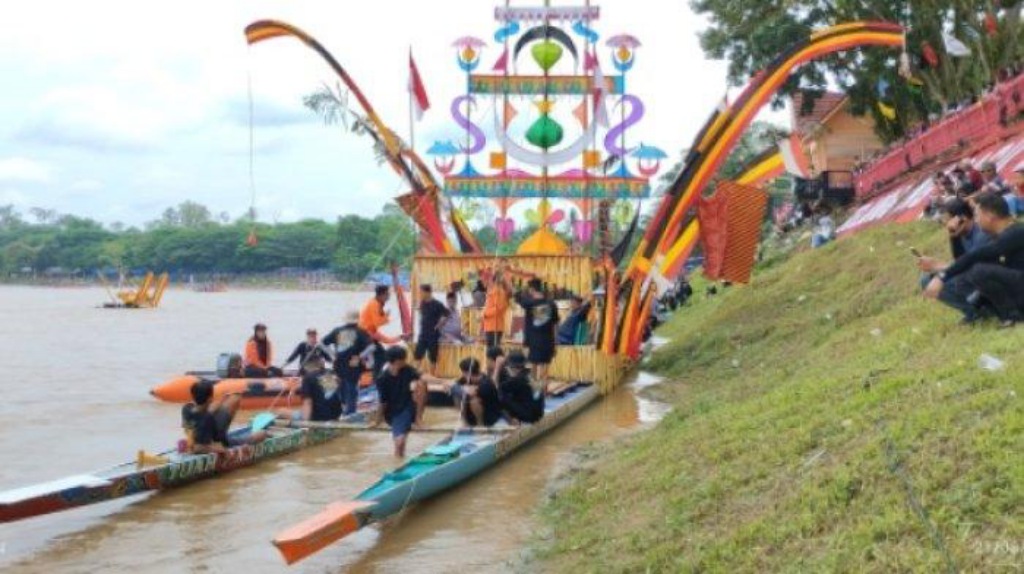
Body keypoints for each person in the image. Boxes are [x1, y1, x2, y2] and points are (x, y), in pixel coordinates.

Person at [923, 193, 1024, 326]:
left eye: (977, 215)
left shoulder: (1015, 232)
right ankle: (997, 313)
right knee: (975, 273)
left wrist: (942, 277)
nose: (975, 220)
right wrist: (954, 237)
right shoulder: (999, 236)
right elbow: (964, 260)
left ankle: (1012, 317)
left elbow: (975, 256)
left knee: (979, 270)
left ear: (989, 216)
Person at [917, 198, 994, 289]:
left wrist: (938, 265)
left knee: (948, 283)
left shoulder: (982, 235)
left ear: (962, 218)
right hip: (974, 275)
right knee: (927, 279)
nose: (946, 225)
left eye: (948, 220)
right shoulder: (961, 234)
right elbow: (959, 260)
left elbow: (969, 270)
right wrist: (953, 237)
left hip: (987, 280)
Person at [181, 381, 266, 454]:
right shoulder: (208, 418)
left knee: (234, 397)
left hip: (202, 432)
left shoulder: (186, 408)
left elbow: (199, 415)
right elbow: (201, 447)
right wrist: (221, 450)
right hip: (218, 440)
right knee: (262, 434)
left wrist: (215, 407)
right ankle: (261, 434)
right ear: (210, 399)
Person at [372, 346, 428, 457]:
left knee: (422, 384)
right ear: (397, 361)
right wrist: (377, 420)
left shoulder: (407, 369)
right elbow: (382, 402)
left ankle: (418, 418)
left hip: (407, 407)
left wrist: (444, 381)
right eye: (403, 359)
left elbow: (423, 377)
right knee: (399, 443)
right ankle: (398, 462)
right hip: (393, 412)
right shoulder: (382, 378)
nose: (405, 361)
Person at [510, 276, 560, 391]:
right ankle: (542, 393)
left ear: (532, 289)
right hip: (548, 340)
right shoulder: (552, 304)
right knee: (544, 367)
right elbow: (556, 324)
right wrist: (556, 342)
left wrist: (507, 280)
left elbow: (516, 294)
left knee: (533, 366)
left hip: (533, 340)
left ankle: (533, 392)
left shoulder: (529, 303)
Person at [322, 311, 374, 416]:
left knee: (340, 387)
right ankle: (350, 412)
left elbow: (322, 343)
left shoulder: (337, 331)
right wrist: (361, 356)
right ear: (357, 320)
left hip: (339, 363)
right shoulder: (360, 332)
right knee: (352, 388)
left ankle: (342, 409)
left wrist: (332, 355)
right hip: (353, 363)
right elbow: (372, 347)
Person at [359, 285, 404, 378]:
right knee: (381, 356)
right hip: (364, 336)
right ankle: (375, 379)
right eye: (387, 294)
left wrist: (400, 337)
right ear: (382, 295)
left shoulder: (377, 304)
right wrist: (386, 317)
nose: (389, 297)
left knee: (381, 356)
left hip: (368, 334)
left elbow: (382, 336)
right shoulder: (374, 304)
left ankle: (374, 378)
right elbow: (378, 322)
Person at [449, 357, 502, 428]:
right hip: (471, 415)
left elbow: (471, 393)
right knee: (457, 395)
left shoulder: (486, 382)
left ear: (467, 373)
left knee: (474, 400)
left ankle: (480, 426)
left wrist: (458, 388)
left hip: (489, 416)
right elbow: (453, 386)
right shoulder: (465, 379)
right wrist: (456, 388)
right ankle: (464, 421)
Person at [497, 351, 544, 425]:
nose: (507, 369)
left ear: (513, 367)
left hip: (530, 416)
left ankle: (512, 422)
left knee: (498, 400)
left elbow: (496, 389)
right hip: (538, 412)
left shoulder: (518, 380)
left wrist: (497, 368)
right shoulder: (527, 374)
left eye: (508, 367)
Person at [414, 284, 449, 376]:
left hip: (433, 333)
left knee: (432, 355)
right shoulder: (422, 303)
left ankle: (432, 375)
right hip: (423, 332)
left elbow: (446, 314)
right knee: (418, 353)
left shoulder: (437, 304)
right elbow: (420, 312)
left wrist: (439, 324)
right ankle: (416, 374)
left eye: (421, 292)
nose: (420, 294)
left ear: (427, 292)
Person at [482, 269, 510, 347]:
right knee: (491, 352)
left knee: (493, 352)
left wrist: (485, 314)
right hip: (491, 326)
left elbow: (498, 309)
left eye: (485, 280)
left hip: (494, 326)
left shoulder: (498, 291)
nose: (484, 282)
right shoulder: (493, 291)